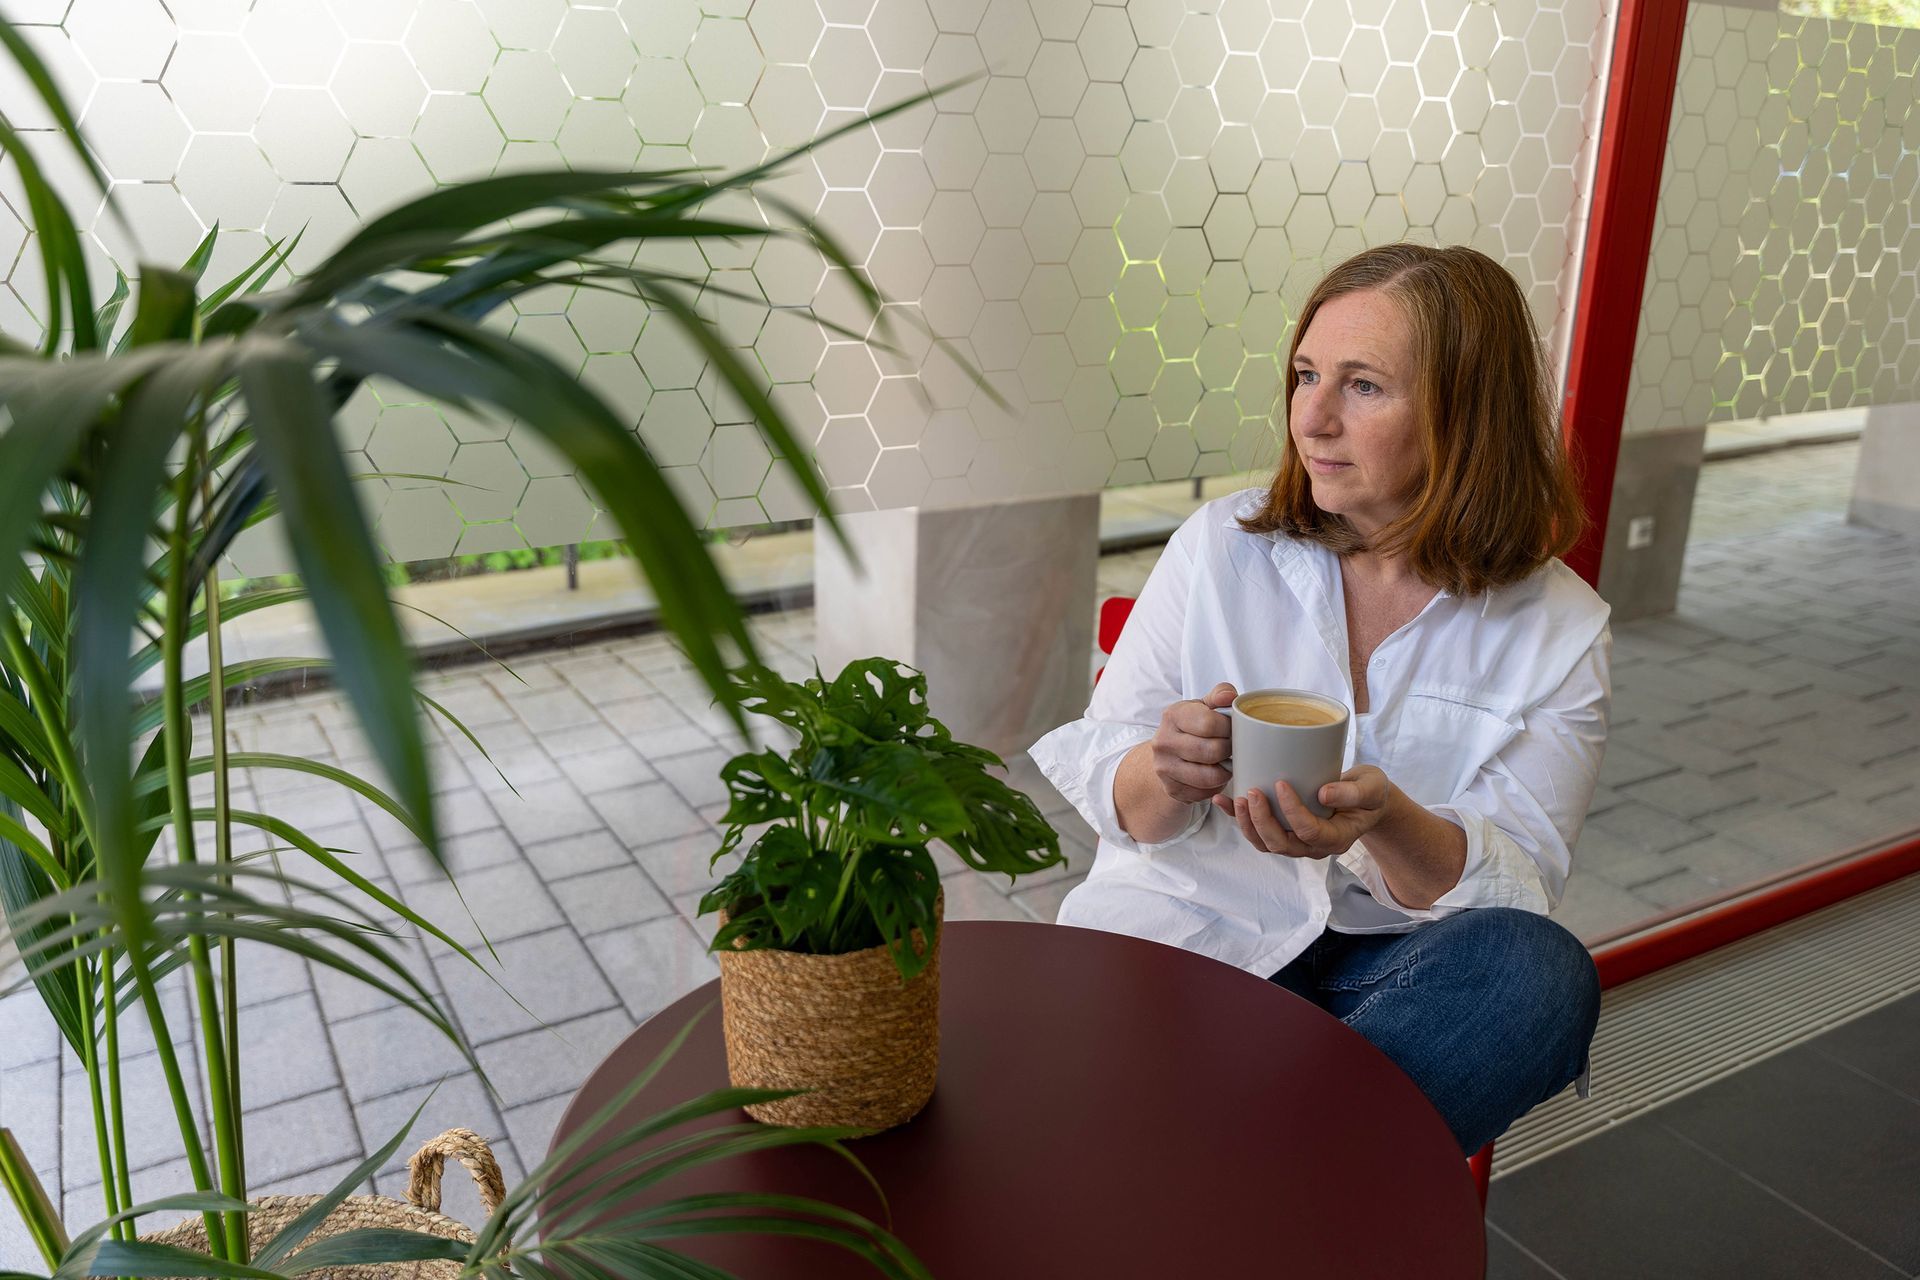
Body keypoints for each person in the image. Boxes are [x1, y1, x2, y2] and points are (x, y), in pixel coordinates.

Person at [1028, 243, 1608, 1156]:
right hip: (1199, 928)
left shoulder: (1561, 627)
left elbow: (1519, 885)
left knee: (1539, 976)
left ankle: (1235, 1177)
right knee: (1319, 1110)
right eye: (1306, 375)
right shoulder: (1221, 546)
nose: (1313, 418)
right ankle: (1296, 1188)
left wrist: (1388, 821)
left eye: (1364, 385)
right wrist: (1165, 769)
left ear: (1465, 414)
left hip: (1391, 967)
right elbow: (1121, 802)